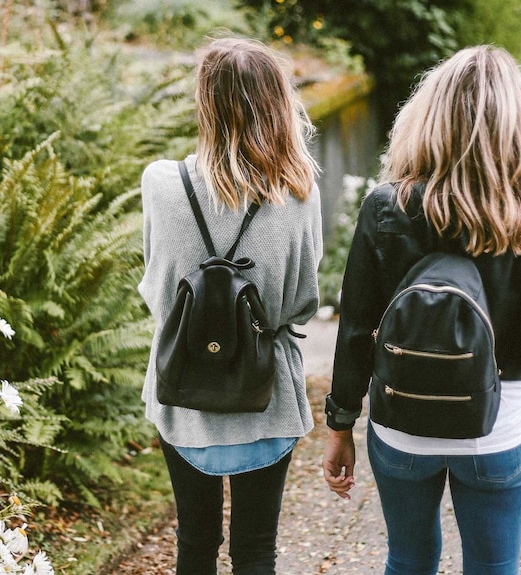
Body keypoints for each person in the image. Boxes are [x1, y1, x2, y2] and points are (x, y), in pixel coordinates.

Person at [321, 45, 521, 575]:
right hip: (497, 426)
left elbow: (354, 329)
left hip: (401, 423)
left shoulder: (385, 206)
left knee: (408, 560)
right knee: (494, 567)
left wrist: (340, 427)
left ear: (426, 116)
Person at [138, 37, 322, 575]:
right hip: (267, 394)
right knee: (256, 548)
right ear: (278, 102)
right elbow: (303, 301)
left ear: (205, 102)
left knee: (194, 541)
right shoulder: (301, 192)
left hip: (183, 388)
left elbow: (156, 289)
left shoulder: (160, 182)